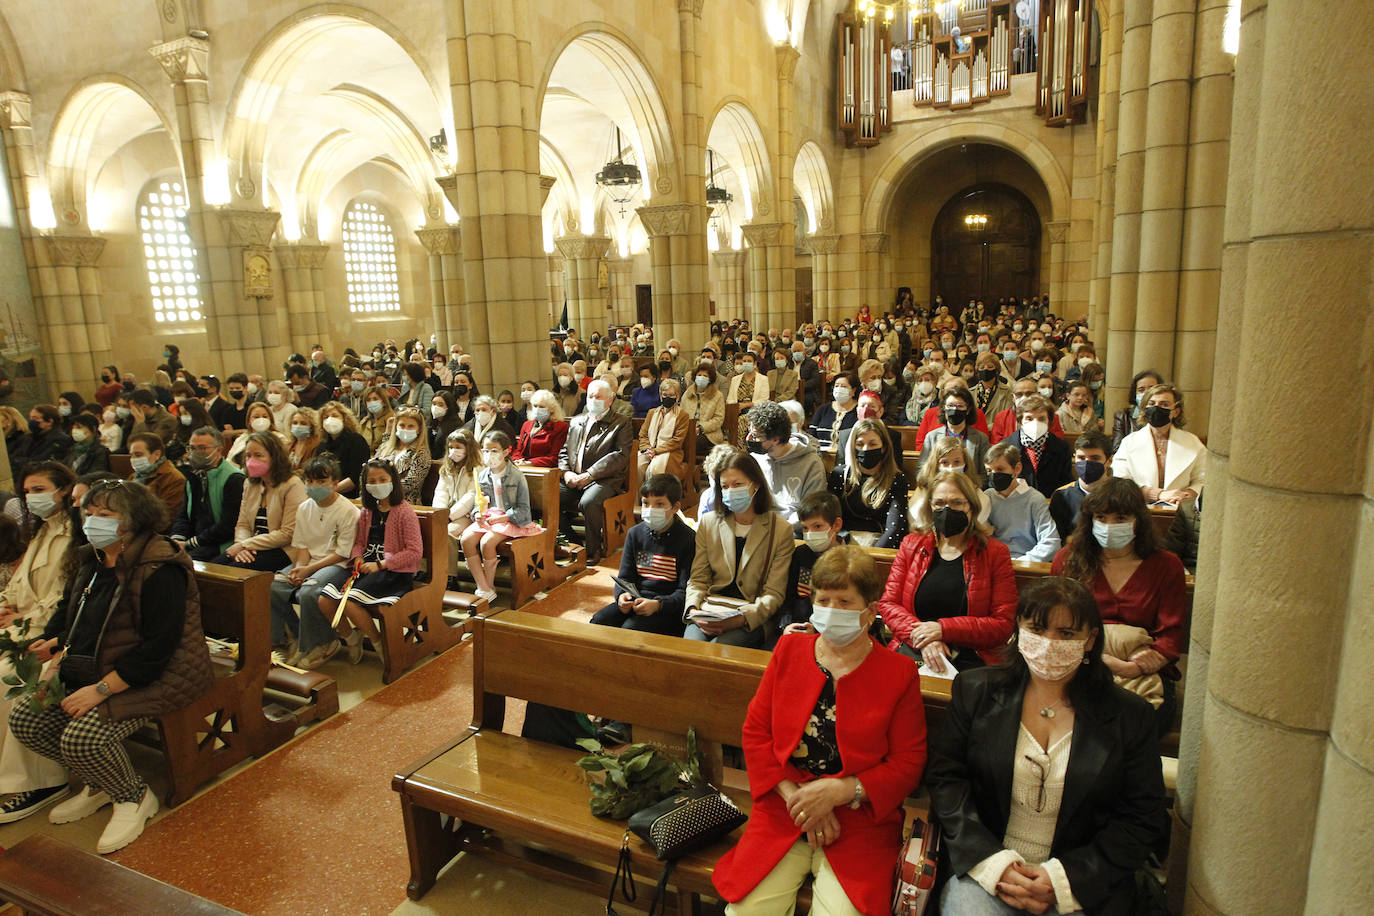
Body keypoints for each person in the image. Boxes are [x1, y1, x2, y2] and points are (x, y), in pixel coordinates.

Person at [927, 576, 1168, 913]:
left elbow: (1143, 817)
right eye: (1037, 630)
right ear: (1019, 631)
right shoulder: (975, 690)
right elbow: (946, 781)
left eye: (1066, 634)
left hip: (1081, 879)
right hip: (988, 866)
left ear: (1090, 640)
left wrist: (1063, 878)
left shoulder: (1130, 716)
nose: (1049, 643)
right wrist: (993, 863)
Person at [712, 546, 927, 916]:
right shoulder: (790, 650)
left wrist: (842, 790)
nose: (831, 611)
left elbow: (909, 761)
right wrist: (797, 797)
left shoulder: (898, 673)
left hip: (860, 821)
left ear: (870, 609)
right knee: (746, 912)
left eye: (844, 601)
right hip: (786, 808)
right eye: (823, 599)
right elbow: (756, 731)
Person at [12, 478, 213, 854]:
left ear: (134, 519)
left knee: (81, 738)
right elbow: (73, 612)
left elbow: (159, 648)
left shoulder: (159, 565)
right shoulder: (92, 557)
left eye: (105, 515)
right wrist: (56, 649)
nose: (93, 521)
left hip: (158, 674)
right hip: (94, 665)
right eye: (89, 513)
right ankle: (101, 782)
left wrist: (101, 689)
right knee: (26, 718)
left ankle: (134, 795)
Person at [1051, 478, 1187, 731]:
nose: (1109, 525)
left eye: (1121, 518)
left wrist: (1140, 665)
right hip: (1079, 665)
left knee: (1137, 723)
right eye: (1101, 517)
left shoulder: (1167, 565)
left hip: (1144, 671)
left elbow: (1172, 632)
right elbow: (1056, 625)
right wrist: (1105, 662)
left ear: (1139, 521)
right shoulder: (1068, 560)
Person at [879, 470, 1017, 674]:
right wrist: (925, 639)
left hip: (973, 656)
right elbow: (889, 604)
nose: (947, 509)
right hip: (915, 647)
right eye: (939, 503)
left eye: (957, 503)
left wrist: (943, 630)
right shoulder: (911, 545)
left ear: (971, 507)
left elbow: (1003, 624)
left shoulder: (995, 553)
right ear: (930, 507)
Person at [0, 462, 76, 822]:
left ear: (63, 491)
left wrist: (25, 619)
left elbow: (65, 597)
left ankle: (42, 780)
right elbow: (21, 583)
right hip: (25, 625)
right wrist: (7, 605)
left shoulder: (75, 533)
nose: (32, 498)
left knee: (9, 681)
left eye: (40, 490)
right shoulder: (42, 530)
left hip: (47, 633)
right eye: (27, 492)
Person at [684, 449, 795, 648]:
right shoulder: (709, 523)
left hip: (751, 615)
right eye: (724, 486)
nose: (730, 491)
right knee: (691, 649)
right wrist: (694, 610)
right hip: (710, 608)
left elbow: (774, 593)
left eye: (738, 484)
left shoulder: (780, 530)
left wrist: (738, 620)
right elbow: (698, 579)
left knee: (720, 649)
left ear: (756, 485)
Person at [319, 461, 422, 665]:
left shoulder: (404, 511)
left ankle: (378, 642)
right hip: (365, 568)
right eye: (372, 481)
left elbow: (414, 551)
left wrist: (382, 564)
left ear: (393, 480)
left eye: (382, 480)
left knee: (349, 602)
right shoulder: (367, 510)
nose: (377, 484)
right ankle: (351, 637)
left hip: (392, 572)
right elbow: (359, 543)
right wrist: (357, 556)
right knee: (325, 600)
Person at [268, 455, 360, 669]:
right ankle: (295, 639)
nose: (314, 486)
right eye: (309, 481)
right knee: (274, 585)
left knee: (309, 592)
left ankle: (324, 643)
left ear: (335, 484)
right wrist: (300, 567)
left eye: (321, 482)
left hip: (337, 565)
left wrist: (308, 570)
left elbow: (342, 553)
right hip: (310, 563)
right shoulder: (304, 508)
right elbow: (302, 546)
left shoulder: (348, 511)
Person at [589, 474, 694, 637]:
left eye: (659, 504)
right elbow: (625, 577)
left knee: (630, 630)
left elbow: (685, 591)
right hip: (637, 599)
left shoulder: (688, 539)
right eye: (646, 503)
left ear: (675, 507)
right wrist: (622, 596)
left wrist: (658, 605)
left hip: (667, 608)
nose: (651, 509)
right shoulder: (635, 534)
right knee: (599, 621)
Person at [459, 431, 542, 602]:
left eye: (494, 450)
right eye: (485, 450)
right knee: (466, 539)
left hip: (509, 520)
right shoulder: (483, 475)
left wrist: (502, 518)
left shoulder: (516, 476)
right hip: (490, 517)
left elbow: (524, 509)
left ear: (506, 451)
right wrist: (477, 515)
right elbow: (479, 502)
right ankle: (483, 587)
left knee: (487, 543)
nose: (489, 455)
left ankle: (488, 587)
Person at [558, 379, 633, 566]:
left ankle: (593, 550)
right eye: (590, 396)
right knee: (549, 498)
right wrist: (566, 473)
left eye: (598, 397)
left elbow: (620, 456)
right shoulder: (577, 421)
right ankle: (572, 542)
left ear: (610, 399)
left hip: (604, 480)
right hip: (573, 478)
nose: (593, 400)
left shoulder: (621, 423)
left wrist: (590, 475)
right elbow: (564, 451)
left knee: (588, 502)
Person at [214, 431, 306, 572]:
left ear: (274, 457)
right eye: (248, 455)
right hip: (252, 545)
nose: (251, 460)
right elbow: (242, 524)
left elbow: (287, 533)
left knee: (235, 570)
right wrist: (241, 545)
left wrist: (246, 545)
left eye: (258, 455)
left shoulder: (292, 484)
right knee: (215, 567)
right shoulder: (250, 484)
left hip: (283, 549)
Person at [1111, 383, 1206, 507]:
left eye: (1164, 404)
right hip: (1139, 508)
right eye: (1151, 404)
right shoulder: (1129, 442)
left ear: (1175, 412)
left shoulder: (1192, 443)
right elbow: (1120, 480)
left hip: (1181, 510)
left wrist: (1186, 494)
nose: (1157, 408)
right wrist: (1157, 494)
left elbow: (1203, 479)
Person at [775, 491, 850, 634]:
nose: (810, 533)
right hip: (798, 627)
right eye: (805, 528)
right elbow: (788, 597)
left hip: (833, 634)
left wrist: (816, 631)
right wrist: (786, 625)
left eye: (817, 526)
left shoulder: (850, 560)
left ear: (836, 525)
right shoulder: (800, 554)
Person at [828, 419, 908, 548]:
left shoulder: (896, 479)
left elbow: (894, 529)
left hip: (880, 544)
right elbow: (831, 519)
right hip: (844, 544)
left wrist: (873, 555)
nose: (866, 449)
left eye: (872, 444)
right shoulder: (839, 474)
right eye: (860, 444)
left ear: (884, 447)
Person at [744, 402, 826, 528]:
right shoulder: (755, 459)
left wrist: (780, 529)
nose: (749, 438)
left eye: (756, 436)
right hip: (759, 526)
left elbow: (811, 509)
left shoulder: (811, 463)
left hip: (794, 530)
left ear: (776, 439)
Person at [171, 427, 245, 561]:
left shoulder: (234, 479)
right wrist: (177, 539)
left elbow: (228, 526)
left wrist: (190, 543)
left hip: (221, 543)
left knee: (180, 564)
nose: (196, 453)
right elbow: (183, 516)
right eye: (192, 448)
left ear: (219, 450)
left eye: (202, 448)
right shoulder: (194, 476)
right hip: (195, 541)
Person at [984, 441, 1062, 562]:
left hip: (1027, 561)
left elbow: (1051, 542)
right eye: (989, 471)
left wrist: (1022, 562)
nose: (994, 475)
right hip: (994, 562)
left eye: (1000, 469)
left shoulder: (1034, 499)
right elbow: (981, 535)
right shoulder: (987, 497)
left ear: (1017, 469)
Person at [432, 429, 479, 588]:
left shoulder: (477, 468)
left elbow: (471, 495)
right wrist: (439, 513)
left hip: (467, 514)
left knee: (448, 533)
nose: (454, 451)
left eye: (458, 447)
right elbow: (441, 492)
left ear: (468, 448)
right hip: (447, 513)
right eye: (451, 447)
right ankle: (430, 571)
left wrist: (450, 516)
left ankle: (451, 576)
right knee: (428, 528)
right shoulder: (447, 467)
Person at [1049, 431, 1113, 540]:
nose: (1087, 463)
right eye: (1081, 458)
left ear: (1109, 461)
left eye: (1095, 458)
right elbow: (1059, 539)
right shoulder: (1062, 496)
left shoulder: (1123, 493)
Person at [1009, 394, 1074, 498]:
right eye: (1029, 418)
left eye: (1041, 418)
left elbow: (1066, 483)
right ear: (1020, 421)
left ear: (1049, 422)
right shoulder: (1006, 447)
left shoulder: (1061, 447)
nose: (1035, 423)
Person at [920, 387, 990, 479]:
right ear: (944, 408)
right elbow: (921, 472)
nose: (954, 409)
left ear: (968, 410)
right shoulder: (931, 437)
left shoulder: (981, 438)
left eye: (960, 406)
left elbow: (984, 474)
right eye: (950, 405)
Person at [374, 407, 432, 505]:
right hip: (377, 498)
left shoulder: (421, 453)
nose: (405, 429)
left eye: (410, 426)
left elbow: (411, 484)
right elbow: (371, 469)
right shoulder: (385, 447)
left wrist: (382, 488)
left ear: (419, 430)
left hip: (405, 502)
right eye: (402, 425)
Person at [636, 377, 690, 482]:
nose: (667, 398)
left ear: (677, 396)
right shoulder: (652, 413)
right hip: (649, 450)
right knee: (636, 466)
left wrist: (656, 451)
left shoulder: (682, 415)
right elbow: (643, 434)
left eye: (671, 395)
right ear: (661, 396)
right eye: (665, 395)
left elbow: (677, 441)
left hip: (670, 452)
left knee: (654, 470)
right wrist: (647, 449)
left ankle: (655, 497)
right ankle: (640, 498)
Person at [125, 433, 185, 526]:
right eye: (131, 455)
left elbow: (167, 517)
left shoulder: (174, 479)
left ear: (157, 454)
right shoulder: (134, 476)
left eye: (138, 455)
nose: (133, 459)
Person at [315, 402, 369, 499]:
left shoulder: (356, 440)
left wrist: (330, 491)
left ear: (344, 419)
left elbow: (356, 477)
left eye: (335, 415)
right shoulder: (322, 445)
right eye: (325, 417)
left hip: (350, 496)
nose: (330, 419)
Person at [1110, 369, 1165, 454]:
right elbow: (1117, 449)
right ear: (1134, 393)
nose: (1146, 393)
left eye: (1151, 388)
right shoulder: (1123, 416)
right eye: (1141, 390)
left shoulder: (1166, 414)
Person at [513, 389, 568, 467]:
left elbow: (555, 457)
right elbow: (518, 450)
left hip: (544, 469)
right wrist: (517, 460)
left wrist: (530, 463)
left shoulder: (561, 427)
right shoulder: (527, 425)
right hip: (522, 466)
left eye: (541, 407)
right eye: (535, 406)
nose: (537, 409)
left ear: (552, 409)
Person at [682, 361, 726, 456]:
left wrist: (700, 428)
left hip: (709, 434)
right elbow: (681, 414)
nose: (701, 377)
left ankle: (691, 468)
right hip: (687, 431)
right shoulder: (687, 393)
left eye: (705, 376)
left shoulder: (717, 395)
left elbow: (718, 419)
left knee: (692, 443)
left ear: (710, 379)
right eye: (699, 375)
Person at [809, 371, 859, 449]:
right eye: (836, 386)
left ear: (853, 390)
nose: (839, 389)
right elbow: (811, 435)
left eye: (843, 386)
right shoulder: (823, 409)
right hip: (821, 456)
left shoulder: (858, 411)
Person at [358, 386, 395, 452]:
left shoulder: (392, 420)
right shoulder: (364, 422)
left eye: (375, 399)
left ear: (383, 402)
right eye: (368, 400)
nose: (371, 402)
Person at [426, 390, 462, 455]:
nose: (436, 407)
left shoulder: (456, 427)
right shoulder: (430, 423)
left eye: (440, 405)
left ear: (449, 407)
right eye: (434, 404)